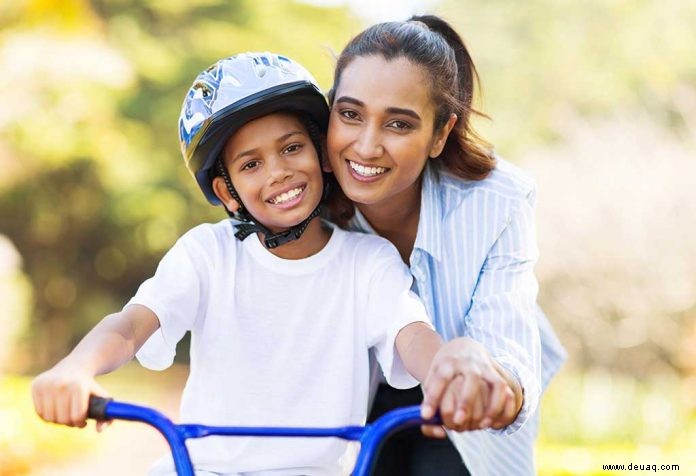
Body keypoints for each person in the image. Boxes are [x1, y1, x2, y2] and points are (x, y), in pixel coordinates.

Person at [31, 52, 520, 475]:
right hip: (203, 468)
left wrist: (447, 371)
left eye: (292, 148)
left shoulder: (367, 263)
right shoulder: (207, 254)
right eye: (250, 164)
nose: (279, 171)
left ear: (322, 155)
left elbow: (410, 334)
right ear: (226, 192)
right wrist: (77, 368)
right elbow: (134, 323)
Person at [324, 15, 567, 476]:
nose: (367, 146)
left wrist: (489, 379)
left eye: (398, 124)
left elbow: (507, 341)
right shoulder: (303, 197)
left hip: (463, 397)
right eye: (351, 114)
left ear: (439, 134)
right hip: (360, 392)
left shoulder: (499, 200)